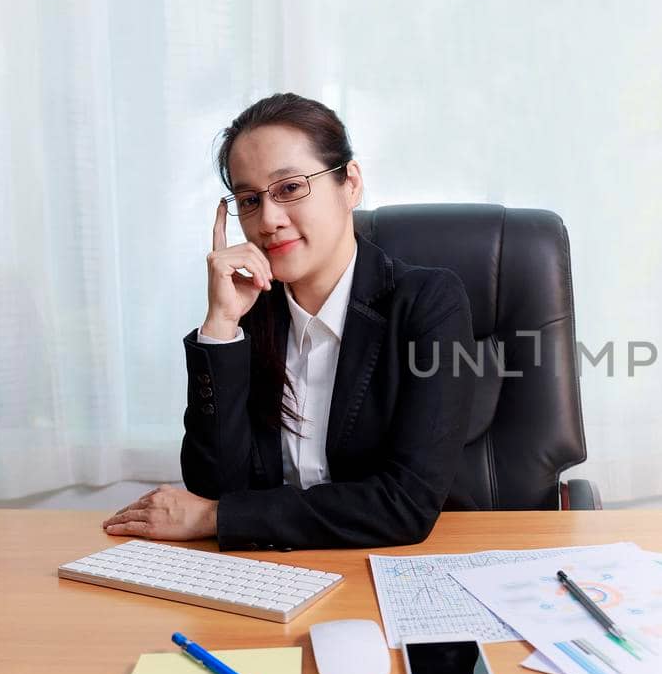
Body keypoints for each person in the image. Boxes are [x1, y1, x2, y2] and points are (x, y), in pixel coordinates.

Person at [102, 93, 476, 549]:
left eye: (290, 188)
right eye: (249, 199)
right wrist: (220, 326)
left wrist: (219, 517)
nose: (269, 220)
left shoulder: (428, 303)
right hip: (272, 571)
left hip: (389, 568)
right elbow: (213, 486)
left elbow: (405, 505)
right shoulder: (250, 310)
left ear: (350, 183)